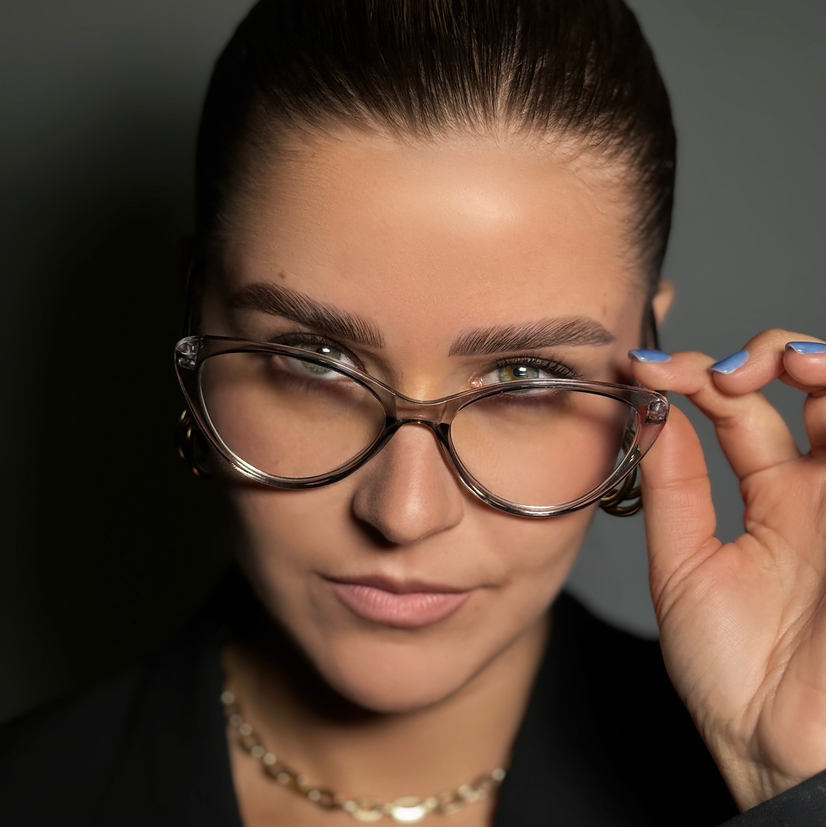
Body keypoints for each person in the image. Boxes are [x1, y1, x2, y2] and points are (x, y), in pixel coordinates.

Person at [2, 0, 825, 825]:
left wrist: (791, 782)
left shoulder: (765, 779)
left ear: (647, 353)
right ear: (196, 314)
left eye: (524, 375)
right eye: (315, 358)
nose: (404, 514)